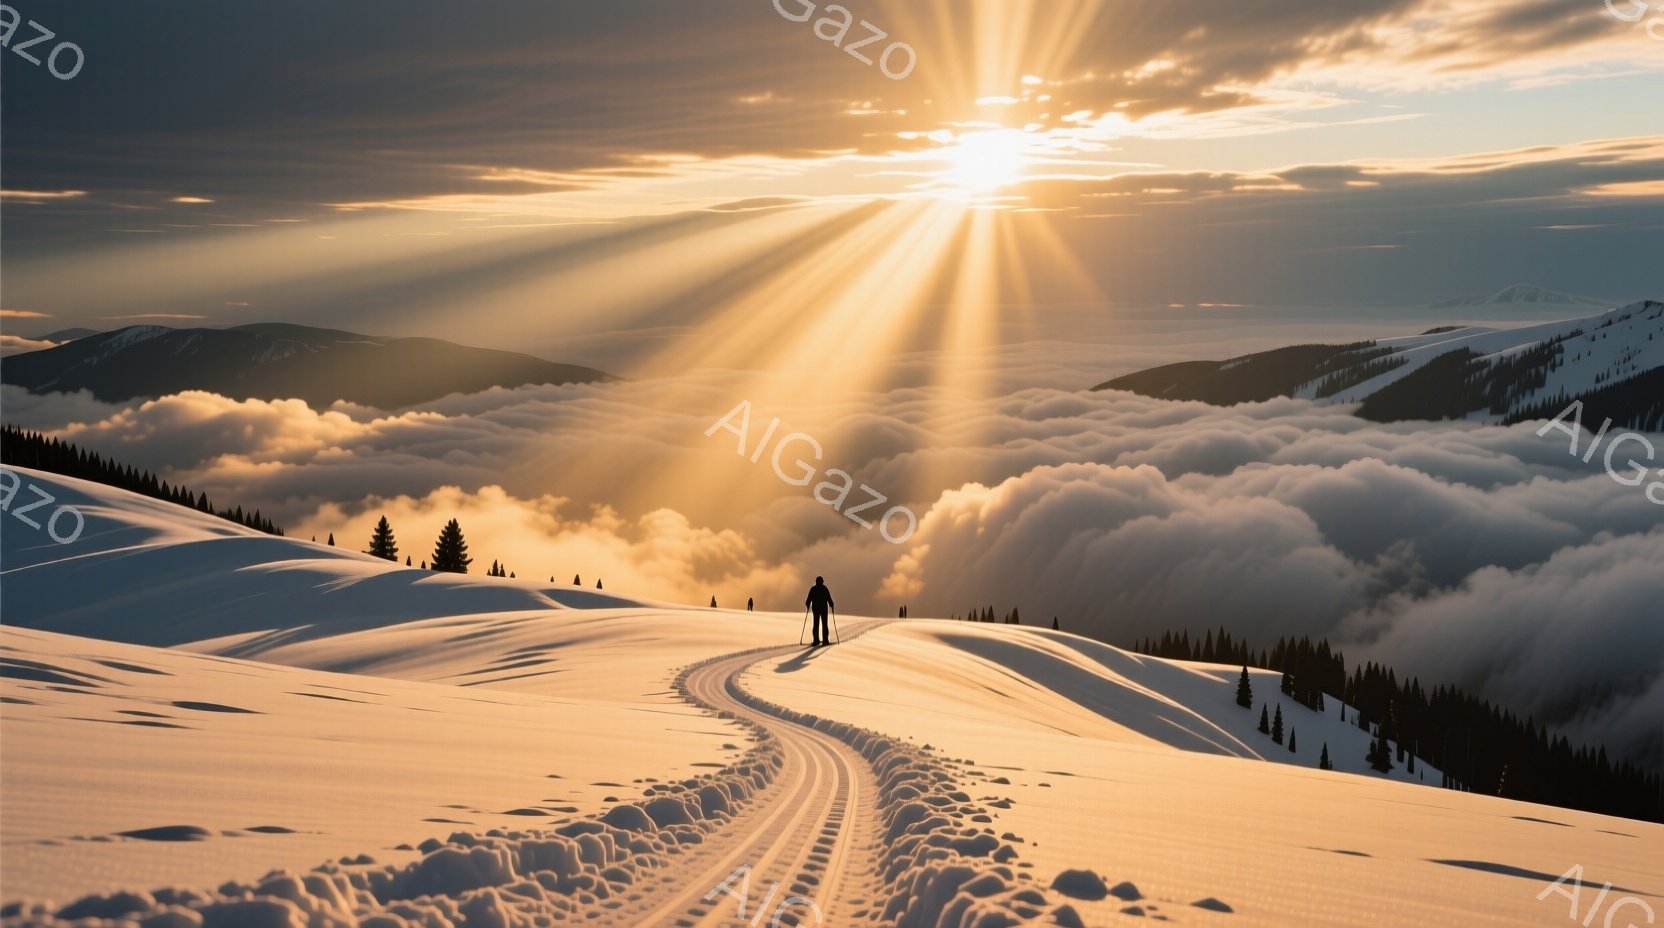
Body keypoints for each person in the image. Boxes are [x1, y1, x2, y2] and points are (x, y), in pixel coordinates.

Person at [805, 576, 834, 645]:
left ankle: (816, 640)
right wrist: (832, 605)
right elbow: (829, 598)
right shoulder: (824, 588)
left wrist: (808, 605)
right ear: (822, 581)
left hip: (815, 609)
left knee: (816, 624)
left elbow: (808, 599)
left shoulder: (813, 589)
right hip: (824, 609)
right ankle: (825, 640)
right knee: (824, 624)